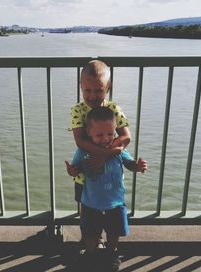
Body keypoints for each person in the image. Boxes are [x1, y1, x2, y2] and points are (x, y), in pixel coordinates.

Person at [66, 107, 147, 271]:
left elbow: (129, 163)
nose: (106, 139)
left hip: (115, 203)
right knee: (90, 235)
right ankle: (90, 255)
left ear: (115, 132)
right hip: (90, 204)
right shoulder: (83, 151)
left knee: (113, 234)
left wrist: (137, 166)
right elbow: (77, 168)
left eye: (110, 134)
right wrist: (72, 170)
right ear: (89, 132)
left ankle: (111, 255)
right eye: (99, 135)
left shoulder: (118, 151)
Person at [65, 59, 131, 249]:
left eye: (98, 90)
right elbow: (81, 141)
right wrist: (111, 151)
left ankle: (103, 239)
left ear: (108, 87)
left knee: (109, 208)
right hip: (84, 173)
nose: (92, 96)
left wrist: (104, 156)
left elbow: (126, 137)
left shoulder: (114, 109)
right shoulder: (78, 110)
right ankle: (91, 238)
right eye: (87, 90)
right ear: (81, 87)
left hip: (108, 177)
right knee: (86, 208)